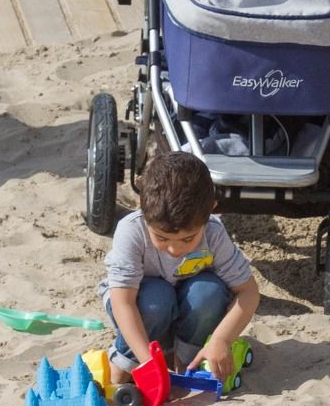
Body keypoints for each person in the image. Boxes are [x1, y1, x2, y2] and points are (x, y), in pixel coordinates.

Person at [99, 152, 259, 385]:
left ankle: (186, 361)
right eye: (162, 238)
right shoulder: (131, 231)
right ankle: (127, 359)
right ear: (141, 207)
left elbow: (249, 292)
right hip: (143, 303)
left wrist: (221, 340)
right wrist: (148, 364)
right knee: (157, 299)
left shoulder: (213, 233)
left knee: (209, 292)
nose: (174, 250)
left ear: (210, 210)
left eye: (188, 239)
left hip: (190, 304)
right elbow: (123, 302)